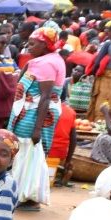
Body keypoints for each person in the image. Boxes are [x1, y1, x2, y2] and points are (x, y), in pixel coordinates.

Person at [9, 25, 66, 206]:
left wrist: (37, 128)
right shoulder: (49, 59)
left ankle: (22, 194)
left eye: (33, 44)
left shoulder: (46, 64)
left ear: (45, 45)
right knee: (29, 154)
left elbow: (45, 97)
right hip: (33, 113)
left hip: (33, 115)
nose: (28, 47)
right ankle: (24, 194)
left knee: (26, 152)